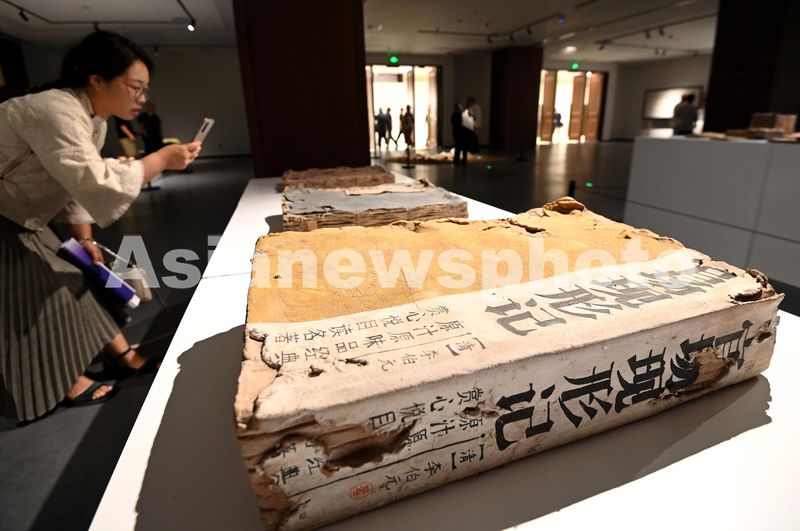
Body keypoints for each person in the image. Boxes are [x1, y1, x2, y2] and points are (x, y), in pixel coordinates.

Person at [0, 31, 201, 422]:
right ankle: (65, 382)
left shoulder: (94, 120)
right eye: (135, 87)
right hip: (7, 217)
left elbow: (71, 184)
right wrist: (159, 160)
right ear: (98, 80)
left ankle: (120, 355)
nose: (141, 98)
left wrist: (85, 239)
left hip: (23, 214)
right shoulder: (54, 109)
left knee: (84, 278)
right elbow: (93, 179)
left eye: (145, 90)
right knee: (40, 300)